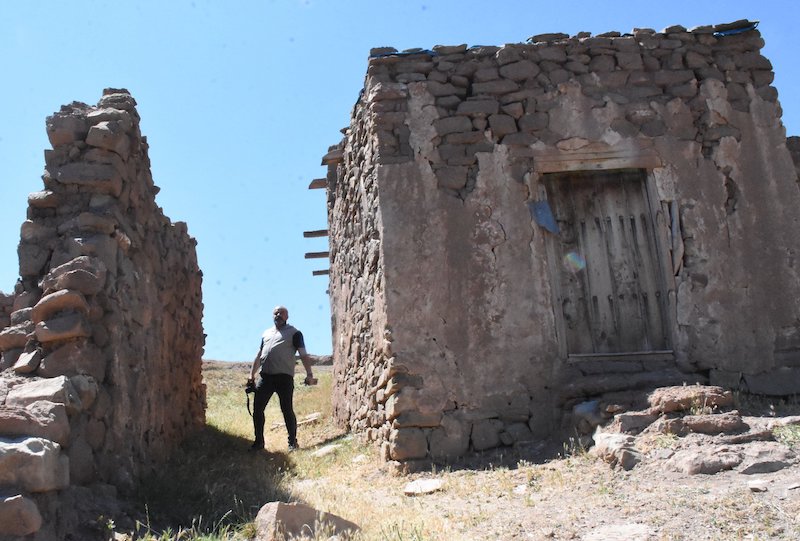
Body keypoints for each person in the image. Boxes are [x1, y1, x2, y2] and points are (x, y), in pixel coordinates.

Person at [248, 305, 315, 451]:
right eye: (275, 313)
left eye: (281, 313)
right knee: (257, 409)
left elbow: (303, 354)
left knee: (287, 409)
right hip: (265, 377)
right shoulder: (266, 334)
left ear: (287, 316)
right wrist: (251, 375)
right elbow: (259, 355)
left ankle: (292, 442)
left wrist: (309, 374)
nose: (278, 315)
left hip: (284, 378)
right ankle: (258, 442)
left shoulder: (295, 333)